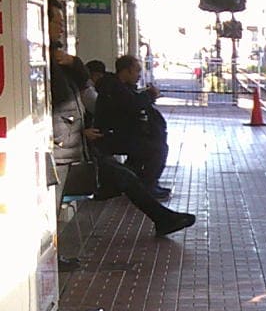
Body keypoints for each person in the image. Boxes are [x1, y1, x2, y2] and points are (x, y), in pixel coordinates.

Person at [49, 46, 195, 237]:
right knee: (136, 166)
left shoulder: (96, 85)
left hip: (83, 150)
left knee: (128, 175)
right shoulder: (109, 88)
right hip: (89, 149)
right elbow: (129, 105)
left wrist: (74, 63)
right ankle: (159, 211)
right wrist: (81, 132)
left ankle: (162, 215)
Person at [95, 55, 170, 196]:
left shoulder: (122, 87)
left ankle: (133, 184)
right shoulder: (113, 88)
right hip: (110, 135)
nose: (139, 75)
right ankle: (147, 186)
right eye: (137, 71)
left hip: (122, 133)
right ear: (126, 71)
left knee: (146, 146)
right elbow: (132, 105)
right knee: (158, 149)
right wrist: (149, 95)